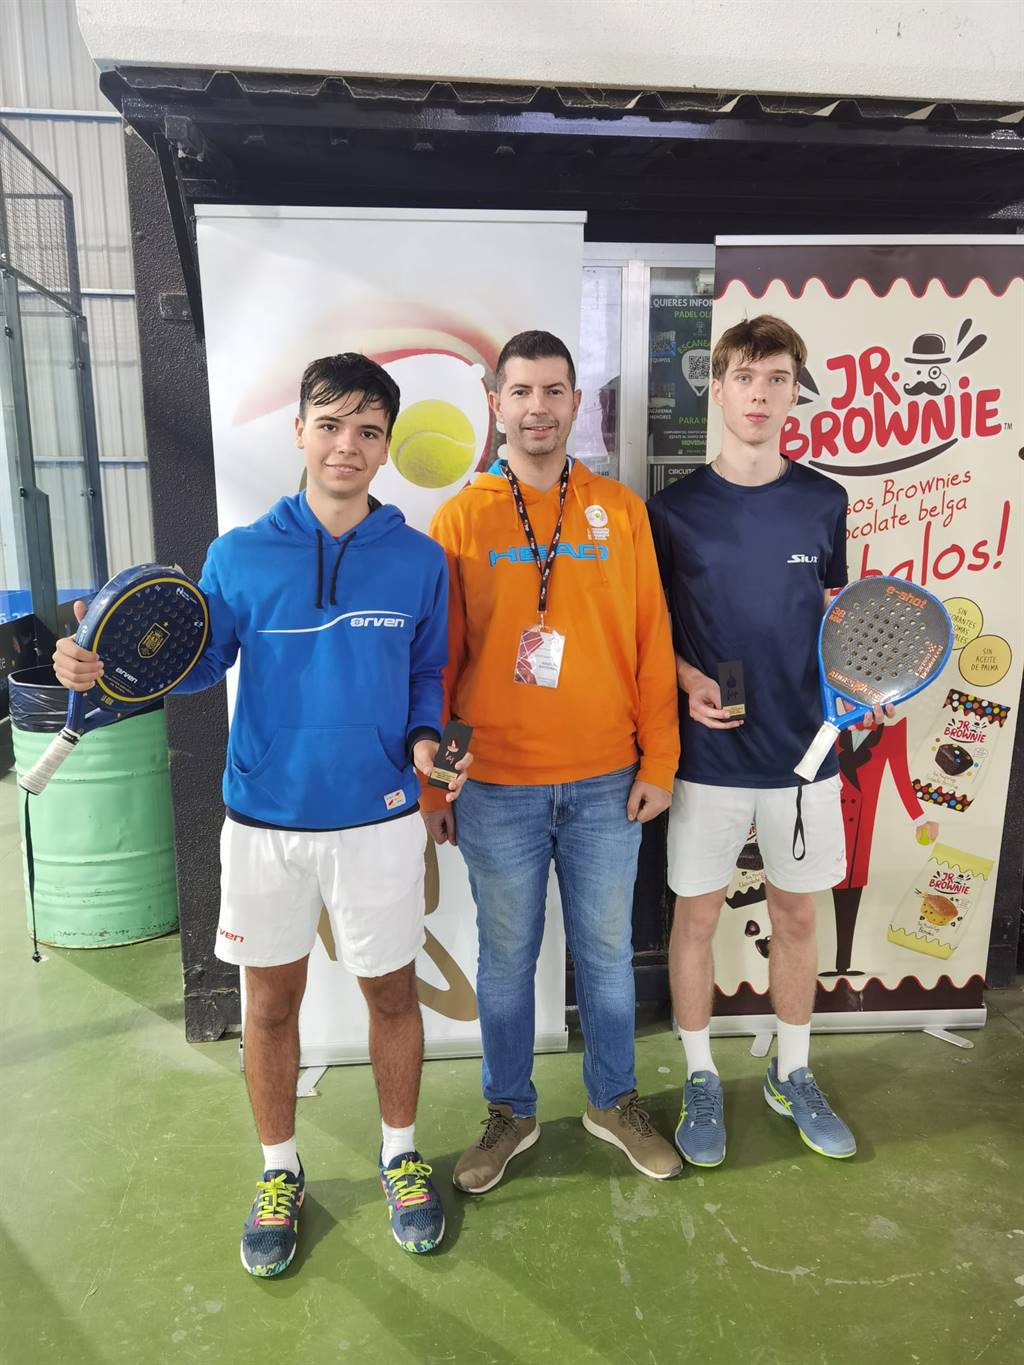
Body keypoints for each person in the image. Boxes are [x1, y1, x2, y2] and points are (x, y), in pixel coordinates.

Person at [53, 353, 470, 1274]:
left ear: (387, 444)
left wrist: (425, 742)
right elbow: (193, 661)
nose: (348, 445)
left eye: (368, 430)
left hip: (377, 820)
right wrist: (102, 664)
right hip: (264, 824)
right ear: (299, 431)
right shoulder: (238, 554)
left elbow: (428, 675)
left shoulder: (418, 560)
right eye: (331, 424)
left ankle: (401, 1156)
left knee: (392, 996)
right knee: (270, 1005)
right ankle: (280, 1169)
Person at [423, 330, 683, 1192]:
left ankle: (614, 1100)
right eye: (522, 391)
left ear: (575, 402)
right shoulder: (461, 518)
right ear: (496, 404)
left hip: (609, 779)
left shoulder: (621, 510)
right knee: (506, 960)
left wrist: (659, 759)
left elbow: (651, 640)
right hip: (496, 786)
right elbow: (441, 666)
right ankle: (511, 1111)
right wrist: (438, 785)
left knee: (606, 956)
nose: (538, 408)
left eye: (554, 391)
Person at [648, 314, 886, 1168]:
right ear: (717, 389)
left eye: (777, 378)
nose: (760, 393)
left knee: (795, 915)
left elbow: (833, 614)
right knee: (696, 920)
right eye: (745, 377)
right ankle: (701, 1074)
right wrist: (687, 679)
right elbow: (651, 631)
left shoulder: (824, 501)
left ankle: (793, 1070)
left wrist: (857, 687)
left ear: (794, 392)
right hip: (708, 759)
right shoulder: (672, 509)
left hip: (806, 756)